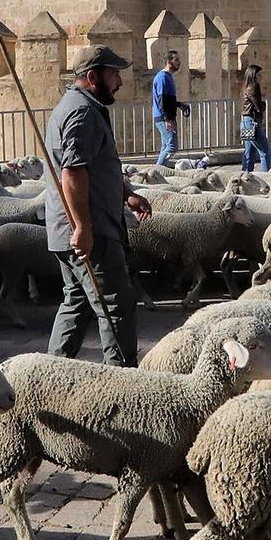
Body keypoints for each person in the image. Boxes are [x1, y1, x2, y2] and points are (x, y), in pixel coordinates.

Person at [43, 45, 150, 365]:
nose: (119, 81)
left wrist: (125, 192)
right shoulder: (82, 112)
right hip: (91, 229)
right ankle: (121, 382)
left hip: (71, 227)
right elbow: (72, 172)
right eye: (114, 74)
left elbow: (91, 166)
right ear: (92, 77)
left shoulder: (76, 106)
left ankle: (50, 374)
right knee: (116, 305)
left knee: (77, 301)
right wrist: (84, 227)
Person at [151, 50, 184, 167]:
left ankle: (158, 172)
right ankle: (157, 171)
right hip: (163, 117)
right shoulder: (162, 77)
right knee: (172, 146)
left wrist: (179, 104)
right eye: (176, 60)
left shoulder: (167, 77)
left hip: (165, 116)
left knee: (166, 146)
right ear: (169, 62)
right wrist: (167, 119)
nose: (179, 63)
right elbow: (162, 100)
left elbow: (168, 100)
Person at [239, 64, 271, 172]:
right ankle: (268, 176)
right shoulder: (254, 86)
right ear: (254, 75)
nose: (261, 77)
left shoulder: (245, 86)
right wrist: (263, 102)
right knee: (265, 150)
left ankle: (245, 176)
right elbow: (259, 107)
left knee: (249, 153)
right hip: (252, 122)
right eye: (259, 75)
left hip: (245, 121)